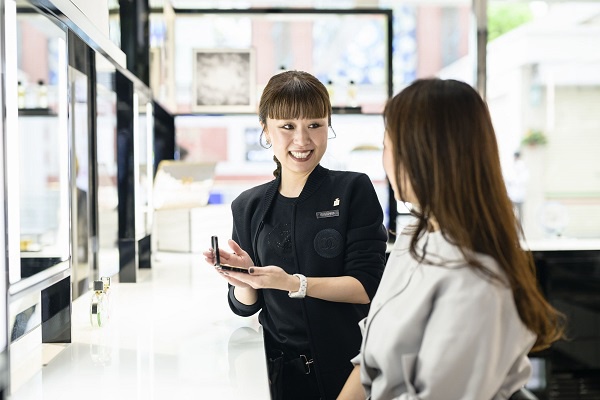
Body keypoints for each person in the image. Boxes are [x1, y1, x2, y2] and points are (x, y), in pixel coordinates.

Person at [337, 78, 564, 400]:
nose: (383, 160)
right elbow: (369, 363)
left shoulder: (476, 280)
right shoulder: (413, 238)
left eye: (387, 145)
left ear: (419, 157)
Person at [203, 70, 388, 400]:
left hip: (349, 373)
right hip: (281, 376)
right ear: (266, 131)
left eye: (315, 125)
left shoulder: (353, 189)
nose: (302, 140)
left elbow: (366, 287)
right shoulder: (249, 206)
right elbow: (245, 307)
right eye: (287, 127)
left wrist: (291, 282)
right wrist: (244, 280)